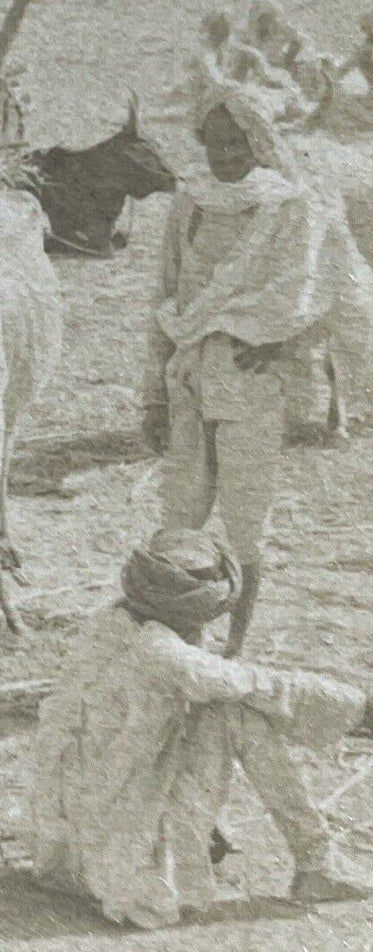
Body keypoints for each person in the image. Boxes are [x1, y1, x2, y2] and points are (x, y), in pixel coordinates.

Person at [34, 530, 373, 930]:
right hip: (117, 855)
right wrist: (357, 706)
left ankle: (316, 860)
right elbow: (251, 682)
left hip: (68, 847)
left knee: (214, 710)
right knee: (237, 713)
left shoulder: (109, 622)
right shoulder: (162, 651)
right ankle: (317, 860)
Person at [142, 85, 373, 654]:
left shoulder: (292, 206)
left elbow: (343, 296)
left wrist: (286, 345)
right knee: (180, 517)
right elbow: (166, 295)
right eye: (215, 143)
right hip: (189, 375)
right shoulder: (190, 202)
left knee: (245, 522)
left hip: (248, 383)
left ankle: (235, 647)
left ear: (260, 140)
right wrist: (151, 395)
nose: (225, 155)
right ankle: (184, 637)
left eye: (237, 142)